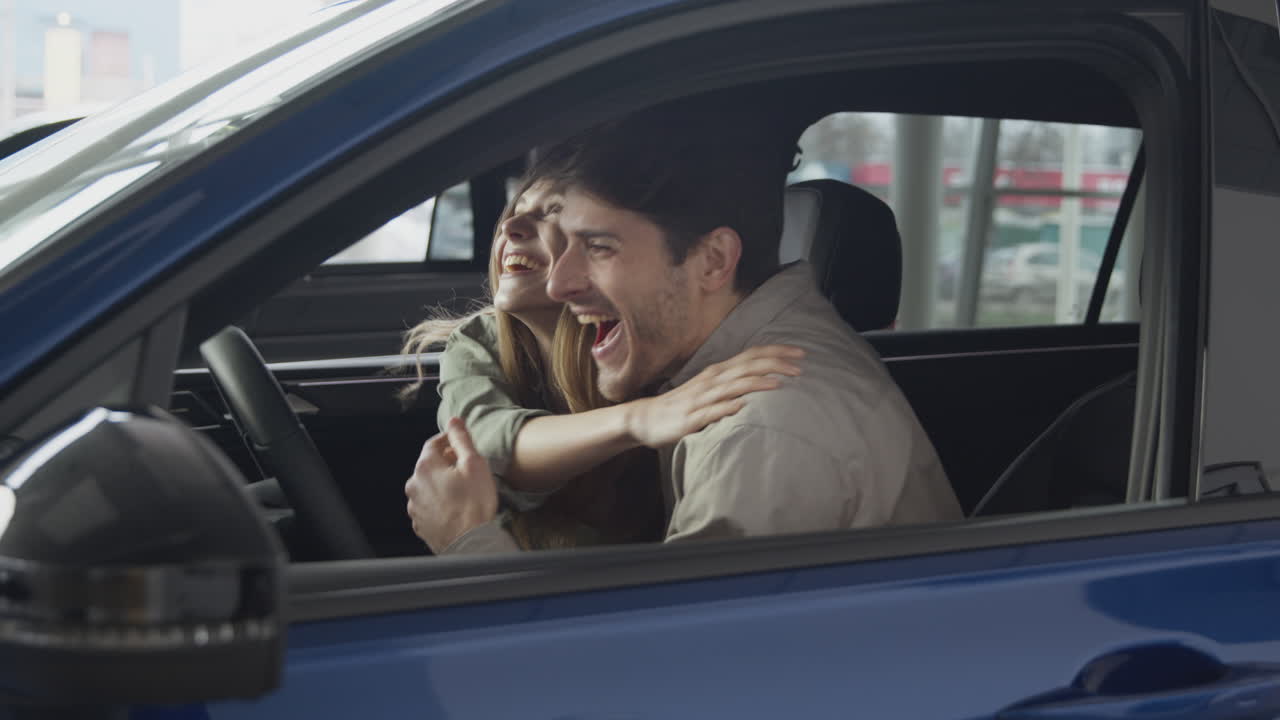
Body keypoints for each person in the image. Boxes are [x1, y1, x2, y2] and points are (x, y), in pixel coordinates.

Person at [405, 95, 963, 554]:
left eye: (599, 246)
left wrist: (468, 542)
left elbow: (654, 680)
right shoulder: (712, 371)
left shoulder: (758, 427)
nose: (560, 284)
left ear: (713, 261)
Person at [404, 165, 804, 551]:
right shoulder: (477, 343)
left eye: (552, 216)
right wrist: (642, 418)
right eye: (515, 210)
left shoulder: (646, 346)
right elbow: (486, 446)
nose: (511, 226)